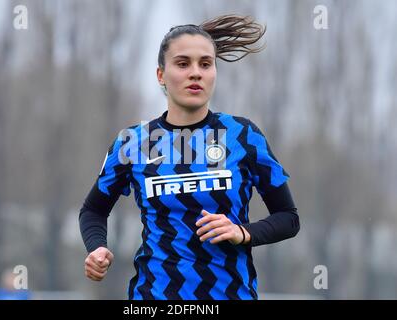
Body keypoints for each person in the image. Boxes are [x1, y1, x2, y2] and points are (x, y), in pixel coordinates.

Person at [79, 14, 300, 300]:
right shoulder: (132, 143)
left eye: (205, 64)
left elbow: (288, 218)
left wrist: (242, 232)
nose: (195, 73)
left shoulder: (243, 136)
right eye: (183, 64)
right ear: (161, 75)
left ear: (214, 73)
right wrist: (96, 247)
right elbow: (93, 210)